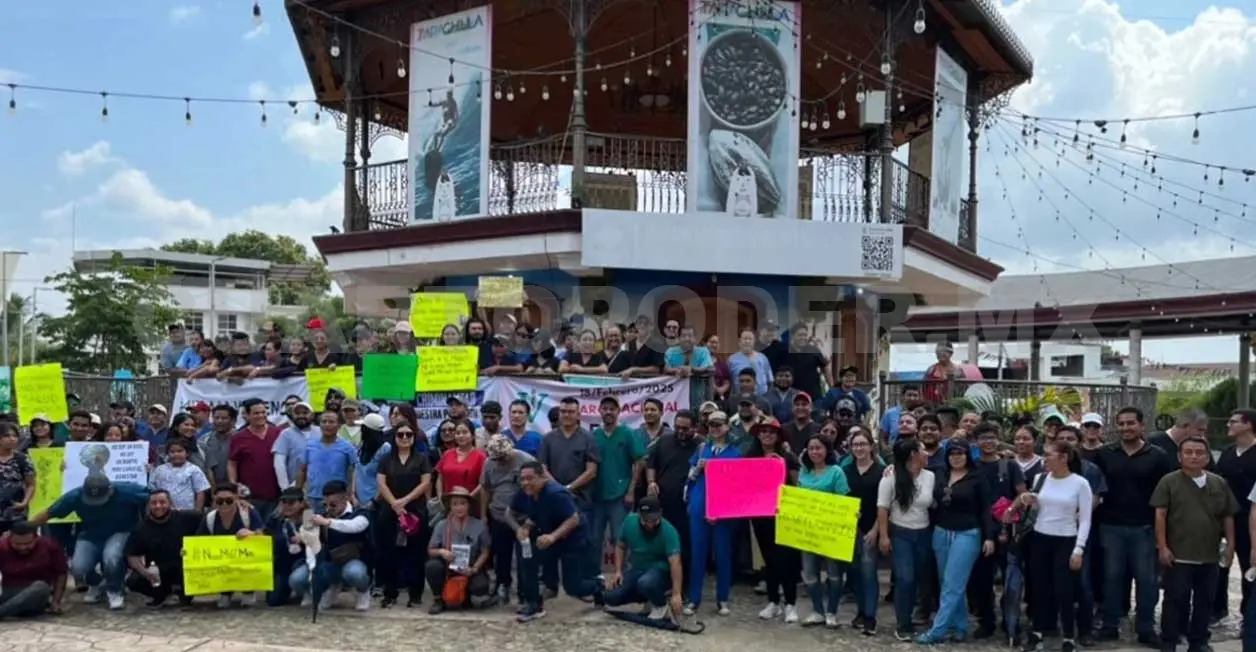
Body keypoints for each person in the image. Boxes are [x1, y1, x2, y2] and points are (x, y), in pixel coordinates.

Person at [1092, 407, 1173, 645]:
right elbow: (1096, 488)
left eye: (1131, 423)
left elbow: (1166, 494)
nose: (1126, 428)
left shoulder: (1157, 455)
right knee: (1112, 577)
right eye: (1122, 424)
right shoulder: (1105, 453)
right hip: (1111, 526)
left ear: (1141, 426)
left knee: (1147, 580)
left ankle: (1146, 628)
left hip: (1145, 527)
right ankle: (1110, 625)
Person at [1152, 436, 1236, 652]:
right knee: (1175, 599)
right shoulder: (1169, 481)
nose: (1194, 456)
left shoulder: (1218, 482)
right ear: (1179, 456)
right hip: (1179, 553)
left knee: (1204, 601)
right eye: (1188, 452)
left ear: (1207, 457)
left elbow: (1227, 516)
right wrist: (1162, 547)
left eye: (1199, 452)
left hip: (1209, 554)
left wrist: (1230, 546)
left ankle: (1198, 641)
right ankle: (1169, 640)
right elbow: (1160, 515)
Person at [1017, 440, 1094, 652]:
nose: (1045, 459)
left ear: (1064, 458)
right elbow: (1037, 507)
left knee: (1064, 590)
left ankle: (1069, 635)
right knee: (1039, 588)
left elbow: (1086, 519)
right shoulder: (1040, 479)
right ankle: (1038, 631)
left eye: (1049, 455)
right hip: (1040, 538)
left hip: (1066, 539)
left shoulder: (1080, 483)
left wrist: (1079, 548)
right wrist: (1028, 499)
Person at [28, 475, 148, 610]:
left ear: (111, 491)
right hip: (90, 534)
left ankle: (114, 590)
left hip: (121, 531)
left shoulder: (128, 490)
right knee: (78, 567)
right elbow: (49, 513)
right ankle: (97, 584)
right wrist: (24, 529)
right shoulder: (74, 496)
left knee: (112, 557)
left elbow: (155, 495)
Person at [509, 460, 605, 622]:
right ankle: (533, 604)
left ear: (542, 478)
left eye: (530, 478)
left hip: (571, 539)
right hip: (546, 537)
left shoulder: (556, 494)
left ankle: (597, 587)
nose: (525, 482)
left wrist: (553, 536)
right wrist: (521, 528)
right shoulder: (525, 493)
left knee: (573, 587)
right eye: (522, 479)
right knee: (528, 560)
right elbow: (511, 513)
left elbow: (573, 519)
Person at [877, 438, 936, 641]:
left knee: (922, 577)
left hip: (924, 532)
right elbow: (882, 508)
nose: (927, 453)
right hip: (901, 533)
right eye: (922, 450)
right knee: (905, 578)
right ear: (913, 454)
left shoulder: (930, 476)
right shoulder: (891, 477)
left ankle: (920, 615)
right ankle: (903, 623)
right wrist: (884, 536)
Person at [684, 410, 741, 616]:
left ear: (727, 426)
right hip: (700, 506)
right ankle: (694, 599)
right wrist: (698, 469)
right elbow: (690, 476)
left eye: (719, 424)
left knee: (723, 555)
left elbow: (737, 484)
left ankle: (723, 598)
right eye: (711, 424)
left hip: (723, 510)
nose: (715, 428)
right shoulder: (701, 449)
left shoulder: (735, 453)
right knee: (698, 554)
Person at [745, 419, 802, 624]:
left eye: (771, 432)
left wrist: (781, 467)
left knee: (785, 560)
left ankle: (791, 604)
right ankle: (773, 602)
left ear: (778, 436)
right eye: (764, 432)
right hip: (760, 516)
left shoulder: (787, 457)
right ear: (758, 435)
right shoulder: (750, 457)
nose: (767, 435)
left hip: (784, 516)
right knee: (768, 560)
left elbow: (798, 485)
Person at [376, 421, 434, 608]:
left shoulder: (421, 458)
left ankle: (415, 593)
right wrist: (394, 503)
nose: (404, 438)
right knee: (388, 553)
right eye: (400, 434)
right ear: (394, 437)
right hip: (389, 511)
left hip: (415, 510)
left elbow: (425, 483)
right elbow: (381, 483)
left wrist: (405, 501)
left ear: (414, 437)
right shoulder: (386, 459)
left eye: (408, 434)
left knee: (416, 553)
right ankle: (389, 592)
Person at [798, 434, 850, 627]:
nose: (814, 452)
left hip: (831, 532)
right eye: (811, 448)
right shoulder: (804, 471)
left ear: (827, 450)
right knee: (810, 574)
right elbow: (798, 499)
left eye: (818, 448)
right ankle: (817, 610)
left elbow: (844, 501)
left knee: (834, 574)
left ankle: (832, 612)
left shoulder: (836, 472)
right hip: (807, 532)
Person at [604, 497, 685, 620]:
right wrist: (618, 571)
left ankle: (661, 605)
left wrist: (676, 593)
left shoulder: (669, 531)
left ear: (660, 514)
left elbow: (676, 563)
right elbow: (620, 546)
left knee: (646, 582)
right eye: (646, 520)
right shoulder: (630, 522)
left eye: (653, 520)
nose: (650, 524)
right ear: (639, 516)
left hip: (660, 572)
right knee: (610, 596)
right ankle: (648, 599)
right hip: (637, 569)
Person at [590, 396, 646, 574]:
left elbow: (639, 461)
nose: (608, 412)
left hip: (619, 496)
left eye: (612, 409)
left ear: (618, 411)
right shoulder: (593, 436)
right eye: (604, 408)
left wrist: (631, 491)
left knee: (620, 538)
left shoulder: (628, 433)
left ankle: (624, 576)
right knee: (594, 538)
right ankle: (595, 578)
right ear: (599, 411)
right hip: (597, 496)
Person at [647, 409, 701, 588]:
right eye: (678, 427)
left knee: (686, 547)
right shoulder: (663, 441)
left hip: (688, 506)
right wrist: (651, 482)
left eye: (685, 429)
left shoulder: (701, 446)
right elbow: (651, 464)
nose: (680, 432)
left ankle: (685, 588)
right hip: (665, 504)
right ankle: (664, 584)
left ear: (695, 428)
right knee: (663, 545)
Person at [481, 434, 534, 604]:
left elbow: (537, 489)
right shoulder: (489, 463)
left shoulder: (525, 459)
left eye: (503, 457)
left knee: (524, 557)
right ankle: (502, 585)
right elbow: (485, 489)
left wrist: (531, 518)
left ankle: (524, 591)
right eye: (497, 458)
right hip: (498, 515)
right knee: (501, 555)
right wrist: (483, 515)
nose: (500, 461)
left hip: (522, 518)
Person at [123, 490, 201, 606]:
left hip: (184, 567)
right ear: (148, 506)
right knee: (133, 582)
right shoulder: (141, 528)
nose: (158, 506)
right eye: (154, 503)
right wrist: (145, 573)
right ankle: (161, 595)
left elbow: (210, 521)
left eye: (162, 502)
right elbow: (131, 555)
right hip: (158, 571)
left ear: (170, 503)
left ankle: (183, 593)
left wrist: (195, 545)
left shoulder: (187, 517)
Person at [425, 486, 492, 614]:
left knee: (481, 586)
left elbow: (485, 551)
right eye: (455, 504)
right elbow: (430, 549)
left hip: (470, 567)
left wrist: (475, 568)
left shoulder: (479, 525)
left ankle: (465, 596)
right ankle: (438, 600)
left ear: (469, 506)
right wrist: (441, 552)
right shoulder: (441, 525)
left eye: (463, 503)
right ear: (450, 506)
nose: (459, 508)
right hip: (448, 568)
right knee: (432, 566)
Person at [844, 428, 885, 635]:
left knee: (869, 572)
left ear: (871, 446)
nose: (859, 448)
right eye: (855, 445)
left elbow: (884, 504)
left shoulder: (881, 471)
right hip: (850, 529)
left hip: (871, 528)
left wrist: (876, 530)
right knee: (855, 573)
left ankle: (870, 616)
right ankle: (860, 611)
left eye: (863, 444)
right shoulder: (846, 470)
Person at [197, 482, 264, 608]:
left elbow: (263, 534)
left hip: (245, 559)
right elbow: (199, 540)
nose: (224, 504)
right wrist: (187, 551)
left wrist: (252, 534)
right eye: (219, 501)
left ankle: (248, 591)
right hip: (221, 562)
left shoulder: (248, 513)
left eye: (229, 500)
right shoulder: (210, 518)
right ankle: (225, 592)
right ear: (214, 500)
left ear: (236, 498)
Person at [312, 480, 373, 612]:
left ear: (345, 498)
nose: (329, 508)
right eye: (325, 504)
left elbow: (354, 526)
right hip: (332, 561)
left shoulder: (360, 513)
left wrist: (328, 522)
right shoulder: (323, 514)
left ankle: (363, 591)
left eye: (333, 504)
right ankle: (333, 586)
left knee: (355, 573)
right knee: (319, 571)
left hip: (355, 560)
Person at [0, 520, 67, 618]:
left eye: (27, 543)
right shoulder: (2, 547)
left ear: (36, 538)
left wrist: (56, 601)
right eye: (17, 544)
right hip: (10, 592)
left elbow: (61, 573)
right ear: (10, 538)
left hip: (35, 597)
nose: (23, 547)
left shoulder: (49, 546)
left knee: (41, 586)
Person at [264, 486, 316, 606]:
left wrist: (303, 537)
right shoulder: (276, 518)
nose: (287, 505)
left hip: (303, 562)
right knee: (273, 600)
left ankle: (307, 590)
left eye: (292, 502)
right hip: (282, 565)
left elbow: (316, 541)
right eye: (284, 502)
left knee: (297, 577)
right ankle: (287, 587)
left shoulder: (308, 517)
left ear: (302, 503)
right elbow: (264, 533)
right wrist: (250, 533)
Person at [299, 410, 358, 513]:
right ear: (319, 425)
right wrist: (298, 495)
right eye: (324, 421)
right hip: (312, 499)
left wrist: (351, 493)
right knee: (311, 528)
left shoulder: (347, 447)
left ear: (339, 425)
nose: (327, 425)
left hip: (337, 500)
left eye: (331, 422)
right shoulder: (309, 445)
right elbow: (302, 470)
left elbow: (356, 471)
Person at [148, 438, 210, 511]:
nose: (176, 454)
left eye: (180, 451)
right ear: (167, 454)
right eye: (172, 452)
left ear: (187, 453)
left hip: (187, 511)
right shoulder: (159, 470)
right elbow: (152, 488)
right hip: (163, 510)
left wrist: (197, 511)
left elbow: (200, 491)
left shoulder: (194, 470)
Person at [0, 423, 34, 534]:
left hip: (16, 514)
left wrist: (24, 502)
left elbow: (31, 484)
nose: (12, 439)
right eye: (7, 436)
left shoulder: (22, 459)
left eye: (15, 436)